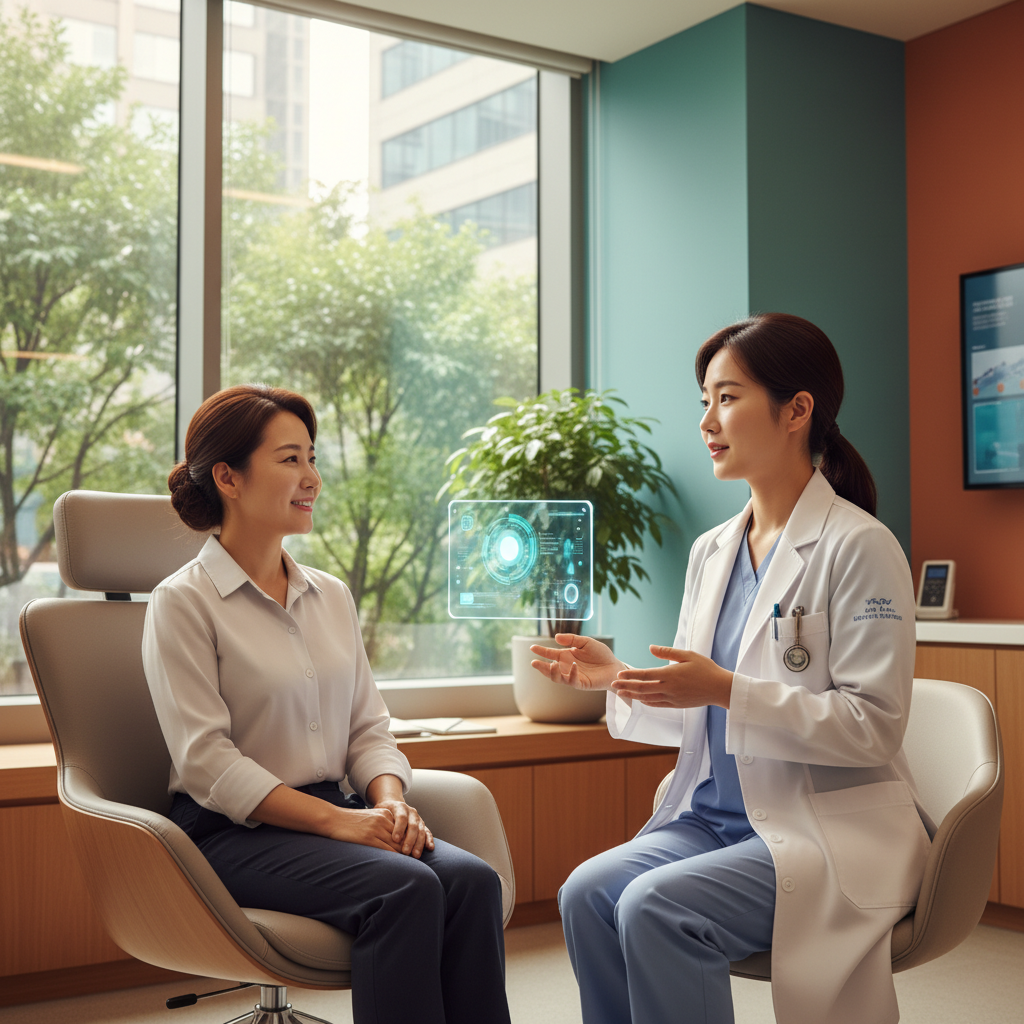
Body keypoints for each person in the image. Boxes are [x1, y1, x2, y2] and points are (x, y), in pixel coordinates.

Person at [532, 314, 933, 1024]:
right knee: (586, 893)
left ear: (797, 410)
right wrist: (617, 676)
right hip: (712, 821)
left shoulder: (861, 546)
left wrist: (726, 689)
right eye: (704, 402)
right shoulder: (713, 550)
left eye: (727, 398)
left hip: (821, 830)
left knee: (658, 907)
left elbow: (872, 728)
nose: (707, 422)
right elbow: (698, 699)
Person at [142, 384, 511, 1024]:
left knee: (471, 882)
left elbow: (369, 728)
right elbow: (207, 763)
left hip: (338, 811)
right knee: (405, 887)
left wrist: (390, 805)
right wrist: (344, 824)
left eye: (312, 458)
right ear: (227, 476)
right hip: (231, 834)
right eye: (290, 460)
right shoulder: (182, 601)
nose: (311, 477)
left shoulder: (330, 595)